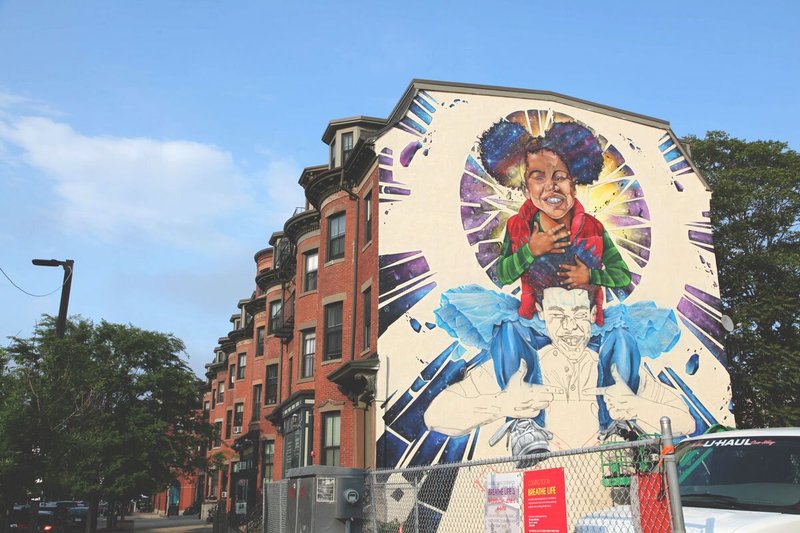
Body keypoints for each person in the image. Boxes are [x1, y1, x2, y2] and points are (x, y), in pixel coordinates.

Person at [426, 120, 692, 456]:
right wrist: (530, 250)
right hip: (536, 318)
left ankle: (620, 423)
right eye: (539, 176)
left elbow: (622, 276)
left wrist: (591, 278)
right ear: (525, 187)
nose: (551, 185)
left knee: (623, 336)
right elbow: (504, 274)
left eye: (560, 176)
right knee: (507, 329)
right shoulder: (518, 226)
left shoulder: (593, 227)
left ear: (575, 183)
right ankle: (524, 423)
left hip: (587, 321)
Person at [425, 286, 694, 450]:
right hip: (537, 508)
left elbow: (686, 422)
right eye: (558, 316)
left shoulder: (615, 370)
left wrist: (638, 407)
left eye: (579, 315)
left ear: (592, 316)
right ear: (541, 315)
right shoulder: (520, 369)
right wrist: (501, 404)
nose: (570, 327)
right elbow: (435, 417)